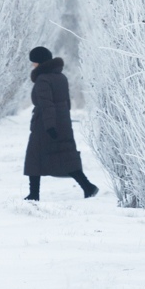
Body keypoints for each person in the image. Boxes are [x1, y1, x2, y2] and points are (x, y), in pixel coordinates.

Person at [24, 46, 99, 201]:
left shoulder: (42, 79)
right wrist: (63, 121)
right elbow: (66, 103)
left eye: (34, 62)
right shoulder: (61, 77)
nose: (33, 65)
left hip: (45, 125)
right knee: (65, 157)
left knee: (35, 158)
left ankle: (34, 194)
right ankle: (87, 186)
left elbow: (47, 104)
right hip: (62, 122)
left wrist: (50, 126)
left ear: (40, 62)